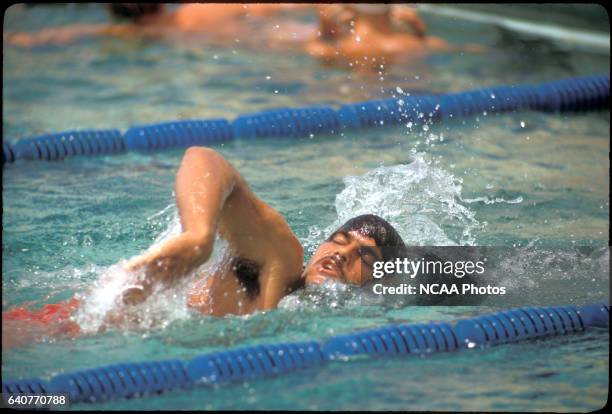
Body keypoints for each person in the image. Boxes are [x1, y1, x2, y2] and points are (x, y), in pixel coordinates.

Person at [2, 146, 406, 345]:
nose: (341, 253)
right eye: (338, 241)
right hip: (65, 325)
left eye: (363, 256)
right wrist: (199, 238)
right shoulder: (280, 261)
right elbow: (205, 159)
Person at [5, 3, 314, 48]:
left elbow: (73, 33)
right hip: (285, 36)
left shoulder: (140, 31)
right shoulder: (203, 9)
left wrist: (20, 39)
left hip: (261, 47)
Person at [306, 4, 450, 69]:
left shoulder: (329, 49)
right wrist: (420, 32)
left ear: (346, 8)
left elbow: (315, 51)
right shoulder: (425, 44)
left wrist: (324, 31)